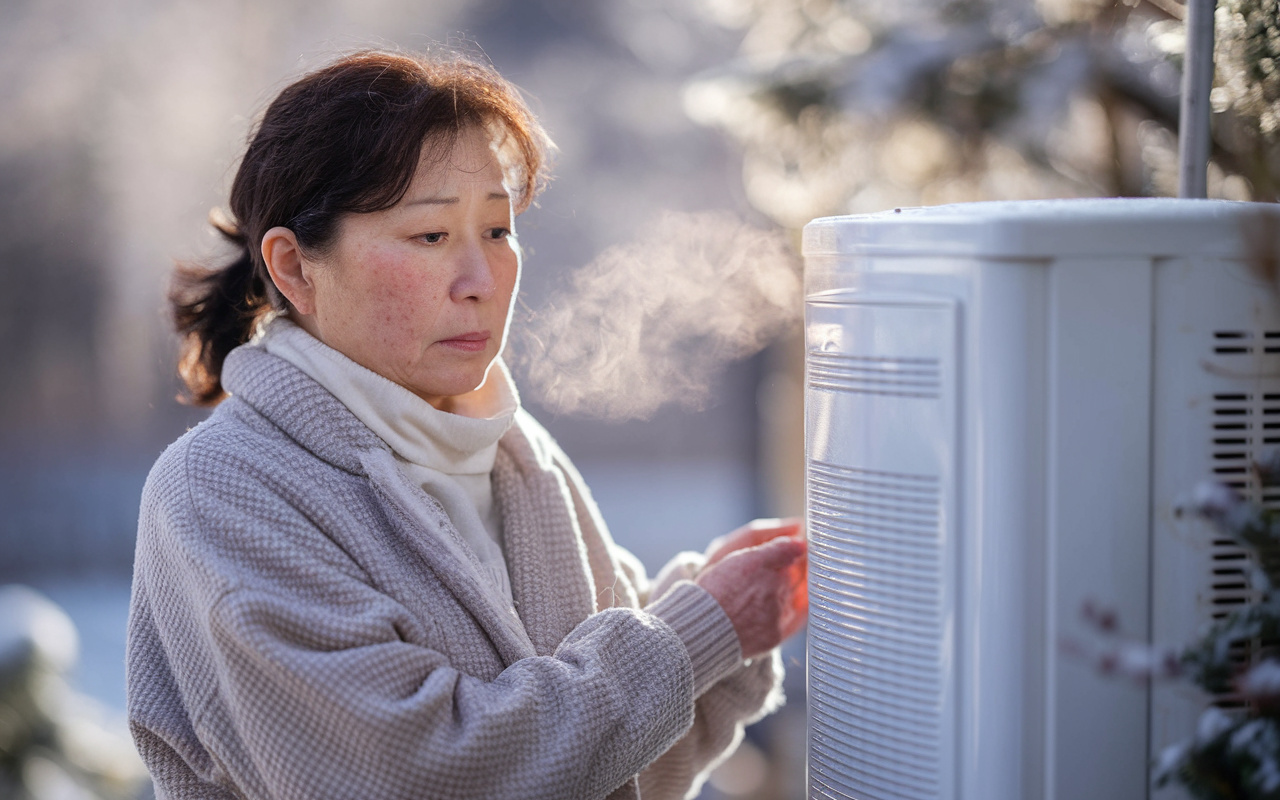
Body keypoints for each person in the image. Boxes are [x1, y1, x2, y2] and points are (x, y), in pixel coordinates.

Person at [127, 49, 808, 800]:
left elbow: (622, 766)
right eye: (431, 236)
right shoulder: (224, 493)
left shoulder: (515, 452)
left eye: (496, 229)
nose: (481, 282)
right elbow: (423, 776)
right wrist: (698, 632)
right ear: (293, 268)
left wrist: (714, 608)